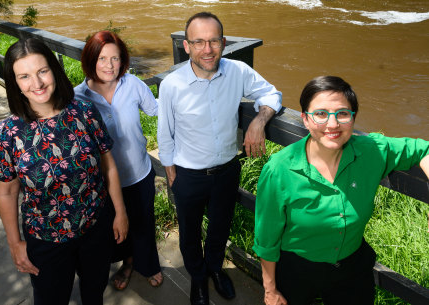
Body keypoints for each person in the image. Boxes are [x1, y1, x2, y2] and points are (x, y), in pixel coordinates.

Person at [253, 75, 429, 305]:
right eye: (321, 114)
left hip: (352, 268)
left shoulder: (371, 150)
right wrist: (270, 290)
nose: (333, 124)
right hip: (297, 268)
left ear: (353, 118)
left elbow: (423, 149)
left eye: (342, 114)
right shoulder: (279, 170)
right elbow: (267, 239)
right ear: (305, 119)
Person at [0, 38, 129, 305]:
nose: (37, 83)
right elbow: (7, 192)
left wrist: (120, 212)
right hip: (45, 238)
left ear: (54, 69)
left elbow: (108, 164)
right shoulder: (7, 134)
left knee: (94, 291)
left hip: (95, 226)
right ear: (14, 82)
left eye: (42, 71)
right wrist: (14, 243)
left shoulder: (84, 113)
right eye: (25, 76)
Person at [157, 11, 282, 305]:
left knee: (220, 227)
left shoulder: (238, 71)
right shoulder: (172, 85)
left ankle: (214, 269)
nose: (207, 49)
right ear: (186, 46)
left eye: (214, 41)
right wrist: (171, 171)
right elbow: (165, 133)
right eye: (198, 42)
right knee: (188, 233)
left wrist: (259, 120)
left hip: (226, 170)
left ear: (224, 42)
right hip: (187, 174)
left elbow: (272, 94)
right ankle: (198, 278)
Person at [74, 30, 163, 290]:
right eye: (102, 59)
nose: (110, 66)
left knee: (144, 223)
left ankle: (148, 265)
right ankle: (127, 264)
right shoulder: (78, 98)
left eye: (115, 58)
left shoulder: (132, 84)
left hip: (138, 172)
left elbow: (157, 110)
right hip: (102, 182)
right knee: (116, 229)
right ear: (91, 60)